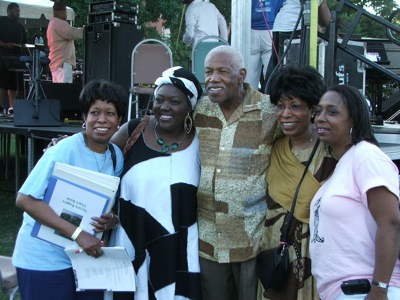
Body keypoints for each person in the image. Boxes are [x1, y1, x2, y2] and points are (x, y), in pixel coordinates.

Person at [12, 79, 127, 300]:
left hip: (86, 259)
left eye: (110, 113)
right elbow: (25, 199)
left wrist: (112, 218)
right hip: (45, 260)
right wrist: (78, 234)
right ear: (85, 117)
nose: (102, 119)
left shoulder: (115, 156)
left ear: (119, 119)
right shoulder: (64, 150)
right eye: (95, 112)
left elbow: (110, 201)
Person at [193, 45, 280, 300]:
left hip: (250, 239)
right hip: (208, 239)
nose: (213, 78)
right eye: (208, 71)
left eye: (222, 71)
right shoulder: (199, 109)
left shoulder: (268, 110)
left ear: (241, 75)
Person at [110, 66, 204, 300]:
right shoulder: (133, 130)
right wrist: (69, 146)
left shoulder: (203, 141)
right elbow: (99, 161)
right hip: (132, 239)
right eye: (159, 100)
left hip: (179, 246)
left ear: (190, 106)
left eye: (175, 101)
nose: (164, 107)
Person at [310, 85, 400, 300]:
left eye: (332, 112)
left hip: (365, 290)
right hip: (343, 292)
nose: (320, 118)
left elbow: (391, 222)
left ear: (354, 120)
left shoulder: (366, 156)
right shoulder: (344, 164)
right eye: (319, 111)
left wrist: (379, 289)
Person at [258, 64, 337, 300]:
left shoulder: (331, 152)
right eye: (281, 106)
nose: (285, 114)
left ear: (313, 109)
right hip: (275, 248)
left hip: (316, 252)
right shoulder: (274, 149)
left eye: (295, 106)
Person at [265, 0, 331, 90]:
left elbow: (323, 6)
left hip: (294, 26)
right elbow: (305, 3)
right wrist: (314, 24)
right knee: (287, 71)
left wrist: (332, 30)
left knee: (287, 69)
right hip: (291, 26)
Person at [247, 0, 284, 91]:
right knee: (270, 71)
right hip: (271, 30)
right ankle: (270, 97)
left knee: (251, 73)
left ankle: (251, 99)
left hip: (251, 30)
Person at [0, 2, 27, 117]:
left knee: (13, 84)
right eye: (16, 11)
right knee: (1, 83)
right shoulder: (1, 21)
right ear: (9, 10)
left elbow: (24, 43)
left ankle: (12, 108)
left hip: (16, 57)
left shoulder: (20, 26)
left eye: (19, 11)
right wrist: (5, 45)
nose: (18, 13)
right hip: (2, 56)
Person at [47, 1, 83, 83]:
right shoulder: (60, 23)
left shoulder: (51, 23)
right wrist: (88, 30)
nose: (66, 14)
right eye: (65, 12)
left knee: (58, 91)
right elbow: (72, 33)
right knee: (64, 90)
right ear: (60, 12)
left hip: (56, 63)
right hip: (62, 62)